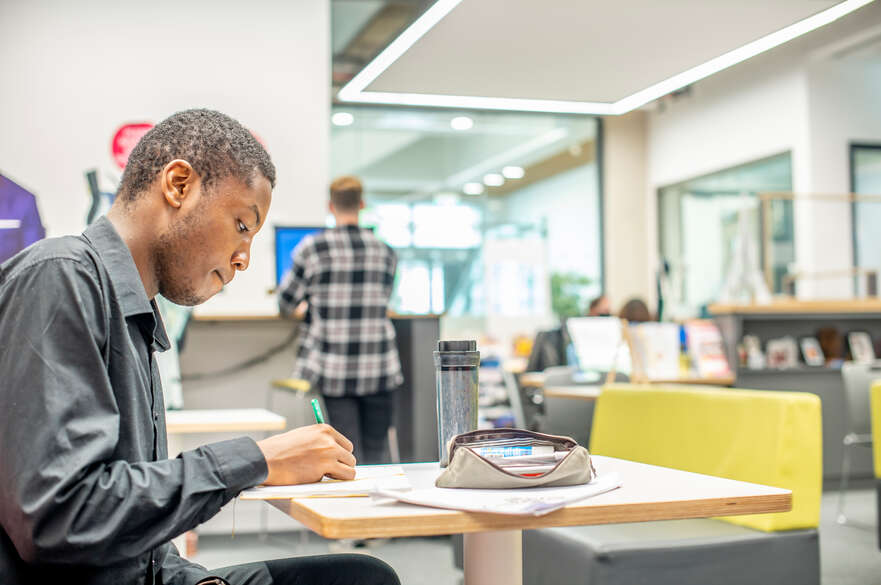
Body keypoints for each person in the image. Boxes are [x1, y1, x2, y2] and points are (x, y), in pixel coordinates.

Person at [0, 109, 399, 585]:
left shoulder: (134, 313)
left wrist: (197, 580)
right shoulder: (60, 275)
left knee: (360, 576)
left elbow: (133, 541)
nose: (244, 258)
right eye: (242, 226)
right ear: (179, 185)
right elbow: (62, 521)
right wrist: (257, 461)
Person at [278, 176, 402, 465]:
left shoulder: (312, 249)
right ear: (361, 204)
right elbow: (383, 299)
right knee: (376, 453)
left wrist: (309, 304)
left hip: (336, 368)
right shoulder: (386, 252)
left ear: (330, 206)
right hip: (379, 366)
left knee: (347, 453)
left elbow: (285, 303)